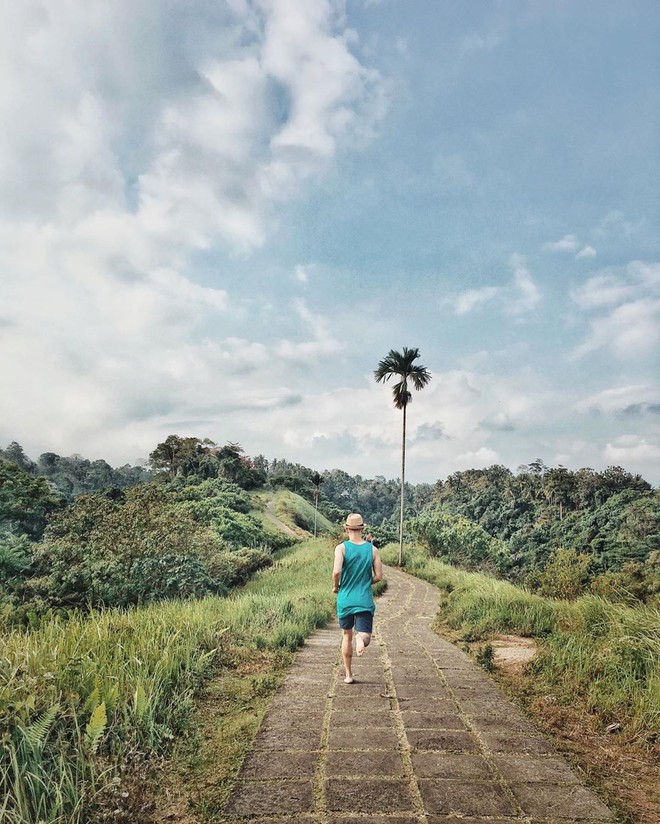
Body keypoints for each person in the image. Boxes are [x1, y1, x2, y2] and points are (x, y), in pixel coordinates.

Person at [333, 513, 383, 684]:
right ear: (362, 528)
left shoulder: (341, 548)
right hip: (363, 599)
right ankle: (360, 639)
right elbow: (379, 577)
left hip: (345, 599)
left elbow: (336, 572)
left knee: (346, 635)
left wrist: (336, 586)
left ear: (346, 528)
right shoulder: (373, 550)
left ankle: (348, 675)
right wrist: (364, 582)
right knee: (365, 635)